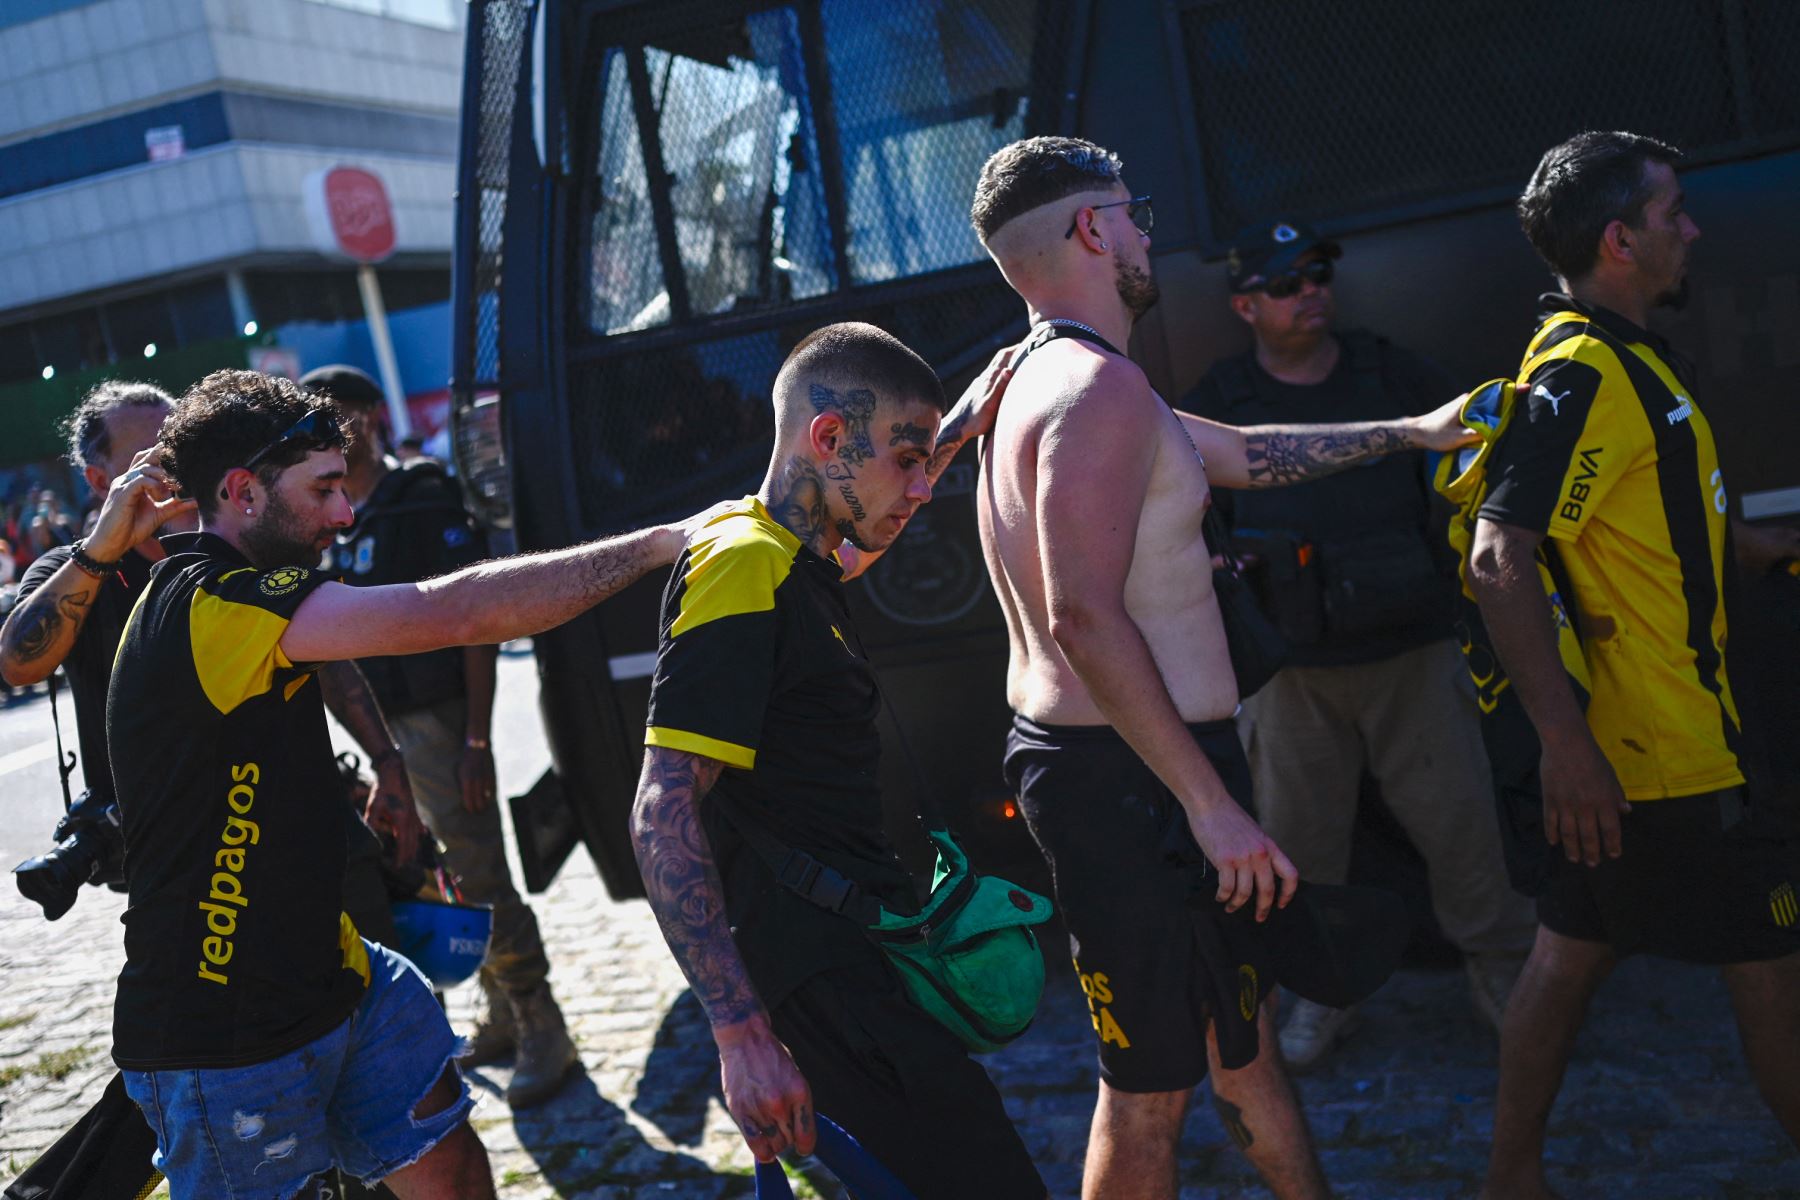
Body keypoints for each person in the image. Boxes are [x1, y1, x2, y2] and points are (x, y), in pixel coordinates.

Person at [968, 136, 1478, 1200]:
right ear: (1092, 230)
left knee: (1238, 1049)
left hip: (1133, 770)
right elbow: (1086, 620)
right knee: (1148, 1092)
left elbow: (1243, 453)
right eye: (1132, 210)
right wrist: (1209, 806)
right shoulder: (1092, 392)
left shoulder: (1049, 378)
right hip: (1135, 784)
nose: (1149, 231)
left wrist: (1410, 433)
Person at [104, 368, 716, 1199]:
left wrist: (387, 767)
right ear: (243, 492)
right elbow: (452, 609)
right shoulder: (214, 603)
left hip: (337, 973)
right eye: (322, 489)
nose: (344, 512)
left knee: (456, 1173)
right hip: (224, 1031)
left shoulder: (236, 591)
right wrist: (660, 545)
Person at [629, 323, 1045, 1197]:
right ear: (827, 438)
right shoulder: (745, 565)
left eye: (928, 463)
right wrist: (742, 1036)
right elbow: (660, 807)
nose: (925, 489)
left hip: (855, 965)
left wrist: (952, 433)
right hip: (820, 986)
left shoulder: (792, 556)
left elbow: (855, 548)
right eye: (907, 459)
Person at [1469, 131, 1800, 1200]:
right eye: (1673, 213)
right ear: (1621, 240)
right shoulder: (1583, 372)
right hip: (1671, 756)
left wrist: (1765, 549)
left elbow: (1645, 529)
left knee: (1569, 953)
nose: (1691, 229)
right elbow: (1499, 553)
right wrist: (1565, 746)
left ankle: (1510, 1182)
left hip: (1657, 745)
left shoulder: (1634, 359)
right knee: (1773, 967)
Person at [1184, 222, 1536, 1067]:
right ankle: (1317, 995)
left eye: (1316, 274)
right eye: (1284, 282)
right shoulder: (1222, 401)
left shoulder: (1393, 373)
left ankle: (1510, 980)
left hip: (1411, 654)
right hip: (1291, 674)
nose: (1309, 290)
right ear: (1244, 306)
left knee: (1464, 833)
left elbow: (1484, 467)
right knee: (1297, 852)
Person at [306, 364, 578, 1109]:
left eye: (338, 414)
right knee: (435, 880)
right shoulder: (335, 518)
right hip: (386, 731)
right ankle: (501, 1008)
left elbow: (477, 621)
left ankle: (541, 1021)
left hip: (440, 721)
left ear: (370, 417)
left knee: (481, 876)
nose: (329, 431)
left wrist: (476, 743)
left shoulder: (419, 497)